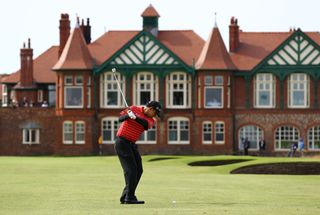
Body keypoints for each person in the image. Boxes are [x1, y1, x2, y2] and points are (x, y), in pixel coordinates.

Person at [114, 100, 161, 204]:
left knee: (139, 169)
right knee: (130, 169)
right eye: (155, 113)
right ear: (151, 109)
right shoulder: (133, 108)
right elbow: (119, 119)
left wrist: (135, 118)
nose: (155, 116)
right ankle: (129, 197)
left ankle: (126, 195)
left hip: (131, 144)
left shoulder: (150, 120)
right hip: (122, 142)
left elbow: (145, 125)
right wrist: (128, 116)